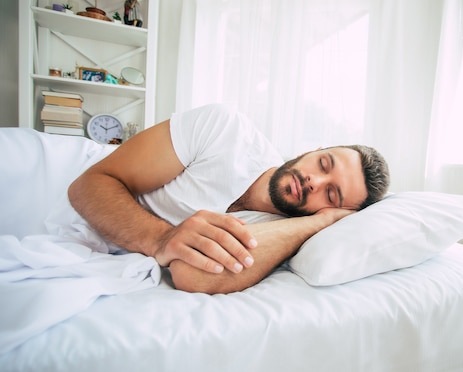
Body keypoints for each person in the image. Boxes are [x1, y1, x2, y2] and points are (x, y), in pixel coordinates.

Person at [68, 104, 389, 294]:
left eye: (330, 193)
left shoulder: (282, 233)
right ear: (312, 150)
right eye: (323, 164)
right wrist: (161, 238)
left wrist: (319, 223)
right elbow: (89, 185)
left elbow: (191, 274)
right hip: (74, 226)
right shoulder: (224, 129)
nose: (313, 181)